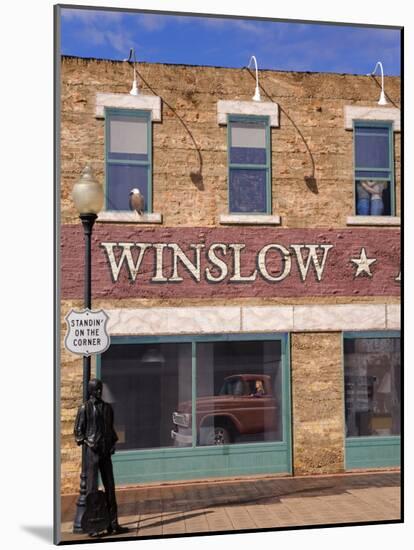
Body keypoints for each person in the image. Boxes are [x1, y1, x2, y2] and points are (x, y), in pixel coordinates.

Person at [74, 378, 128, 536]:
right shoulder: (84, 408)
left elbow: (111, 430)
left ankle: (113, 523)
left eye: (100, 389)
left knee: (110, 488)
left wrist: (111, 444)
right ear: (90, 391)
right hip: (93, 452)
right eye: (95, 389)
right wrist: (88, 443)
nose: (98, 392)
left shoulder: (107, 408)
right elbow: (78, 432)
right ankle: (94, 526)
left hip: (105, 451)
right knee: (92, 489)